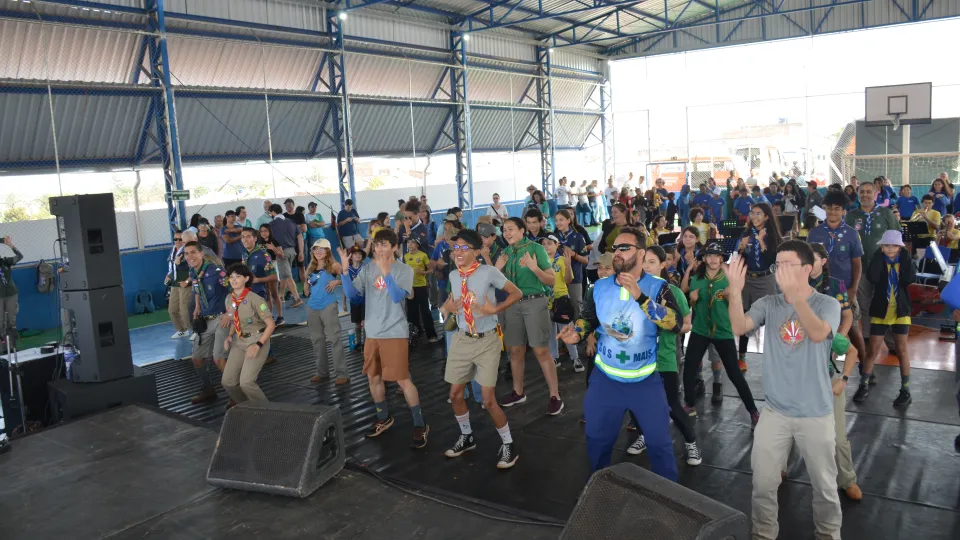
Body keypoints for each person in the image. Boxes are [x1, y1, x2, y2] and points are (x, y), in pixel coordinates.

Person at [727, 241, 842, 540]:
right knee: (763, 484)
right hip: (775, 412)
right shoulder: (769, 304)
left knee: (825, 488)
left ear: (807, 269)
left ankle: (828, 536)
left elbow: (818, 334)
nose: (780, 270)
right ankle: (763, 535)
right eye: (777, 264)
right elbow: (739, 326)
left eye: (788, 265)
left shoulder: (827, 304)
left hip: (815, 413)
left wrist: (795, 297)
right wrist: (736, 290)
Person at [557, 226, 682, 480]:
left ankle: (672, 502)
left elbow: (675, 323)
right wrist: (578, 333)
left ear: (641, 252)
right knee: (597, 440)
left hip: (645, 382)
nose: (617, 252)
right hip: (605, 381)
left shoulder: (659, 287)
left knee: (660, 444)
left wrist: (641, 297)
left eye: (625, 248)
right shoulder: (599, 287)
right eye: (615, 248)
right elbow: (588, 319)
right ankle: (598, 491)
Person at [441, 229, 523, 469]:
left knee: (488, 400)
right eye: (455, 248)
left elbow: (516, 293)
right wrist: (447, 307)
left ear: (476, 252)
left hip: (487, 340)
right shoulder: (454, 276)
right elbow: (448, 305)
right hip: (462, 338)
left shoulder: (488, 272)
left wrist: (494, 310)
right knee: (455, 394)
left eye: (464, 248)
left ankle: (509, 443)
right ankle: (467, 437)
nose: (458, 252)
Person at [340, 229, 429, 448]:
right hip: (372, 333)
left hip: (394, 332)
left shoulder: (404, 270)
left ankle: (419, 423)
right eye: (377, 245)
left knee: (403, 380)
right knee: (374, 378)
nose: (379, 249)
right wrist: (344, 272)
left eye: (385, 245)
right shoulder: (368, 268)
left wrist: (387, 273)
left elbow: (399, 296)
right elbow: (354, 297)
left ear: (395, 247)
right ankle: (383, 417)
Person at [791, 242, 863, 501]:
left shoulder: (836, 285)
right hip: (801, 357)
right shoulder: (795, 284)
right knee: (788, 421)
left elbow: (847, 317)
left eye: (815, 258)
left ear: (823, 261)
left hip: (828, 347)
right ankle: (780, 466)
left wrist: (836, 338)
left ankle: (847, 478)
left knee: (838, 434)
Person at [628, 245, 701, 466]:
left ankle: (691, 442)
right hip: (636, 358)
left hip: (664, 357)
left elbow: (687, 324)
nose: (647, 266)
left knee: (671, 404)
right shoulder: (631, 289)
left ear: (663, 264)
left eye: (652, 262)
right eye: (644, 261)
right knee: (635, 402)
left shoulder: (673, 292)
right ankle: (643, 435)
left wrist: (671, 326)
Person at [681, 242, 760, 425]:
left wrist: (732, 294)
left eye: (717, 255)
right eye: (709, 255)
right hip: (700, 330)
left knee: (734, 373)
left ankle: (753, 410)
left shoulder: (728, 278)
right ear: (704, 258)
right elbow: (690, 298)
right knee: (689, 368)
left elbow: (737, 303)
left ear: (722, 258)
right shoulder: (697, 278)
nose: (713, 259)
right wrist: (692, 299)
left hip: (723, 331)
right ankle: (689, 404)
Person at [495, 217, 563, 414]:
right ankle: (518, 392)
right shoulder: (505, 253)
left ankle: (554, 395)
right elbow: (497, 284)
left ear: (522, 230)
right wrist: (496, 270)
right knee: (515, 350)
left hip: (534, 301)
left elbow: (551, 280)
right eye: (504, 230)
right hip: (512, 303)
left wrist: (534, 268)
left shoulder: (536, 249)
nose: (506, 233)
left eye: (510, 229)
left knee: (541, 350)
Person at [846, 182, 900, 394]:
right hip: (860, 270)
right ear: (858, 195)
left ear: (876, 194)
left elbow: (897, 240)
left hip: (884, 269)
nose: (866, 194)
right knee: (866, 309)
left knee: (887, 305)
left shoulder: (885, 213)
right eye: (862, 192)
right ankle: (869, 346)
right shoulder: (851, 216)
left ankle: (890, 342)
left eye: (869, 191)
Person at [807, 191, 867, 366]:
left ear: (844, 211)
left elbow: (857, 264)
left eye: (837, 209)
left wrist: (853, 290)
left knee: (853, 331)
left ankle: (865, 370)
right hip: (818, 290)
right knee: (822, 328)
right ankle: (824, 367)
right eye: (829, 208)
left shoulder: (851, 234)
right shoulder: (814, 233)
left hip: (844, 289)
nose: (832, 212)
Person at [862, 230, 915, 407]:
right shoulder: (878, 261)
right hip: (880, 311)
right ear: (881, 247)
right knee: (872, 350)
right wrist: (879, 256)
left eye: (893, 245)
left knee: (901, 350)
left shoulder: (905, 261)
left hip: (900, 311)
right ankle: (864, 384)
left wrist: (905, 256)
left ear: (900, 247)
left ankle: (905, 389)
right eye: (885, 245)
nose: (890, 249)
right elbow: (873, 277)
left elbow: (909, 279)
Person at [736, 202, 782, 372]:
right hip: (748, 280)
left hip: (765, 279)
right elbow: (740, 257)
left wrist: (762, 241)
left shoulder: (772, 235)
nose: (754, 217)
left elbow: (772, 258)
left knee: (771, 318)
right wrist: (741, 247)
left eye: (758, 214)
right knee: (745, 316)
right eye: (752, 213)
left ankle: (775, 356)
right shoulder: (746, 233)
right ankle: (741, 357)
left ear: (767, 217)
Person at [183, 241, 231, 404]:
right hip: (205, 319)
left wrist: (228, 313)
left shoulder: (217, 272)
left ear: (202, 253)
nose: (190, 257)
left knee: (219, 359)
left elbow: (234, 290)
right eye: (186, 253)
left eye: (193, 252)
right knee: (197, 358)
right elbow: (197, 289)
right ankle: (208, 388)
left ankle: (234, 394)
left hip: (220, 318)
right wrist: (197, 306)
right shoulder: (193, 271)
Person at [221, 264, 276, 405]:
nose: (233, 280)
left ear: (246, 279)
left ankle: (267, 411)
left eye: (238, 276)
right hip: (239, 341)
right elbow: (235, 320)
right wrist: (230, 335)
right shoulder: (229, 299)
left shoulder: (256, 299)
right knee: (228, 382)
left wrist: (258, 345)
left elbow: (271, 325)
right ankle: (247, 407)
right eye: (231, 277)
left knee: (246, 382)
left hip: (257, 339)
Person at [303, 239, 348, 385]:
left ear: (328, 251)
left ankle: (342, 373)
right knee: (317, 340)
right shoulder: (310, 267)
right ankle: (321, 372)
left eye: (322, 249)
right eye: (316, 249)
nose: (318, 252)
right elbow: (307, 282)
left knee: (334, 338)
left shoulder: (334, 265)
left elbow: (349, 277)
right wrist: (305, 286)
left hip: (328, 305)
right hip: (312, 306)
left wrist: (337, 282)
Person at [540, 234, 582, 371]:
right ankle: (554, 356)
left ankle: (575, 357)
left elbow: (568, 280)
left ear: (557, 244)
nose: (546, 246)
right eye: (544, 244)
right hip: (546, 299)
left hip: (561, 298)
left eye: (549, 243)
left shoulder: (562, 260)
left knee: (567, 329)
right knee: (550, 331)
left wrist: (568, 266)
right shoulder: (541, 262)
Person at [404, 236, 438, 343]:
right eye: (408, 242)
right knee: (412, 312)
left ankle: (431, 334)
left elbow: (431, 269)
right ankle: (415, 333)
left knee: (425, 310)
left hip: (421, 286)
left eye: (412, 242)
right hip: (410, 287)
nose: (409, 244)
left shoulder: (423, 255)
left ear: (417, 245)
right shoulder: (405, 256)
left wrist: (423, 273)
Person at [165, 231, 192, 339]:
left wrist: (187, 281)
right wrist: (168, 276)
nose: (177, 241)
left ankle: (195, 330)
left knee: (184, 310)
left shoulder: (188, 251)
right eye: (175, 239)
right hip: (175, 283)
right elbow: (172, 267)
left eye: (180, 239)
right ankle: (182, 330)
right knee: (172, 309)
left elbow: (194, 268)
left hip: (185, 283)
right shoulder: (173, 251)